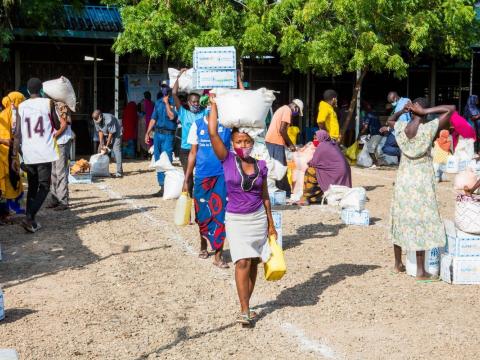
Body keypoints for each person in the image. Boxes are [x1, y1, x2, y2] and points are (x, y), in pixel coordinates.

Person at [208, 94, 276, 326]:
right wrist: (214, 105)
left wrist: (271, 224)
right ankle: (244, 309)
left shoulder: (261, 166)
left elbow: (265, 196)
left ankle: (249, 303)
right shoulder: (227, 160)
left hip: (257, 217)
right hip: (236, 219)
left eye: (247, 142)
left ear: (253, 143)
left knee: (254, 262)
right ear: (233, 144)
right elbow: (213, 133)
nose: (243, 146)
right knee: (242, 263)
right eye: (239, 142)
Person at [389, 98, 454, 280]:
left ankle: (397, 263)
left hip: (404, 178)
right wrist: (425, 112)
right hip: (421, 180)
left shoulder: (401, 128)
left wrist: (402, 112)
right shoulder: (428, 129)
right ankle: (420, 271)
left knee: (400, 216)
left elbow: (389, 121)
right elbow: (451, 109)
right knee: (421, 220)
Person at [183, 98, 231, 269]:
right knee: (202, 214)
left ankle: (218, 255)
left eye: (216, 104)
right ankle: (203, 244)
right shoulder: (197, 125)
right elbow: (193, 153)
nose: (213, 107)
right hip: (202, 176)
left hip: (221, 176)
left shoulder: (227, 126)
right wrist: (186, 178)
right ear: (206, 106)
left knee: (220, 215)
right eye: (211, 104)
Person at [12, 78, 60, 232]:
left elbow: (17, 133)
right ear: (41, 90)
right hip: (44, 151)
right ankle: (29, 216)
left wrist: (14, 155)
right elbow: (57, 125)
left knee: (32, 186)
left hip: (28, 152)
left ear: (27, 90)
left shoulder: (21, 106)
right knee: (44, 186)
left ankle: (30, 220)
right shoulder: (48, 103)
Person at [173, 69, 209, 195]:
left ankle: (199, 196)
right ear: (188, 102)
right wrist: (179, 75)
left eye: (197, 102)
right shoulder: (183, 113)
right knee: (188, 175)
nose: (195, 104)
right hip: (185, 149)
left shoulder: (204, 112)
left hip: (201, 148)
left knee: (200, 174)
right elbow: (174, 93)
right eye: (193, 102)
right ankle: (188, 197)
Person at [297, 130, 352, 205]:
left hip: (336, 173)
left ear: (322, 138)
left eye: (316, 139)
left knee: (310, 171)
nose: (314, 141)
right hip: (342, 172)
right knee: (320, 173)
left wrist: (308, 163)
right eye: (314, 139)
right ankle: (316, 197)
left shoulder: (322, 146)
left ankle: (306, 197)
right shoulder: (332, 144)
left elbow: (314, 163)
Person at [265, 99, 304, 196]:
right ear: (295, 107)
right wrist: (291, 144)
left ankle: (281, 192)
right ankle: (284, 193)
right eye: (297, 112)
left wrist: (288, 145)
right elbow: (282, 130)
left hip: (272, 141)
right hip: (275, 141)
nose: (295, 114)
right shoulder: (287, 110)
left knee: (275, 167)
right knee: (280, 168)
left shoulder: (282, 109)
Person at [145, 86, 176, 196]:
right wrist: (147, 132)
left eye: (165, 89)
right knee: (158, 160)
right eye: (162, 89)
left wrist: (167, 103)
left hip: (168, 135)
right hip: (158, 134)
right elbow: (153, 118)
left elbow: (172, 116)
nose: (164, 91)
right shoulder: (158, 103)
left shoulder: (174, 102)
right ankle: (162, 186)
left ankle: (169, 185)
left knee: (167, 159)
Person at [0, 92, 25, 219]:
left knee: (10, 179)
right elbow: (16, 135)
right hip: (6, 153)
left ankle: (9, 209)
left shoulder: (7, 113)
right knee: (10, 179)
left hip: (7, 152)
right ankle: (10, 209)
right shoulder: (10, 114)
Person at [48, 101, 73, 210]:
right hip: (55, 143)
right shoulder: (52, 107)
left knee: (60, 172)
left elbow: (63, 126)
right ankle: (55, 199)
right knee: (53, 173)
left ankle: (63, 201)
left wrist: (53, 137)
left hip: (61, 142)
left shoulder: (59, 107)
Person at [92, 110, 123, 178]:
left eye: (98, 120)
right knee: (100, 149)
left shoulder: (109, 119)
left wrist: (106, 146)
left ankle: (119, 172)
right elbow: (100, 131)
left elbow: (111, 133)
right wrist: (101, 143)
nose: (96, 122)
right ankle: (99, 170)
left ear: (100, 116)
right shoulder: (95, 119)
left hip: (116, 133)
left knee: (116, 150)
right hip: (106, 133)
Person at [360, 101, 382, 168]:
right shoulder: (374, 114)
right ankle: (376, 163)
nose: (364, 108)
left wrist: (360, 134)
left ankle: (376, 164)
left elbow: (366, 127)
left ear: (368, 107)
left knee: (370, 148)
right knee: (374, 149)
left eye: (365, 106)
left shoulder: (368, 115)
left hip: (375, 134)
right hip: (378, 134)